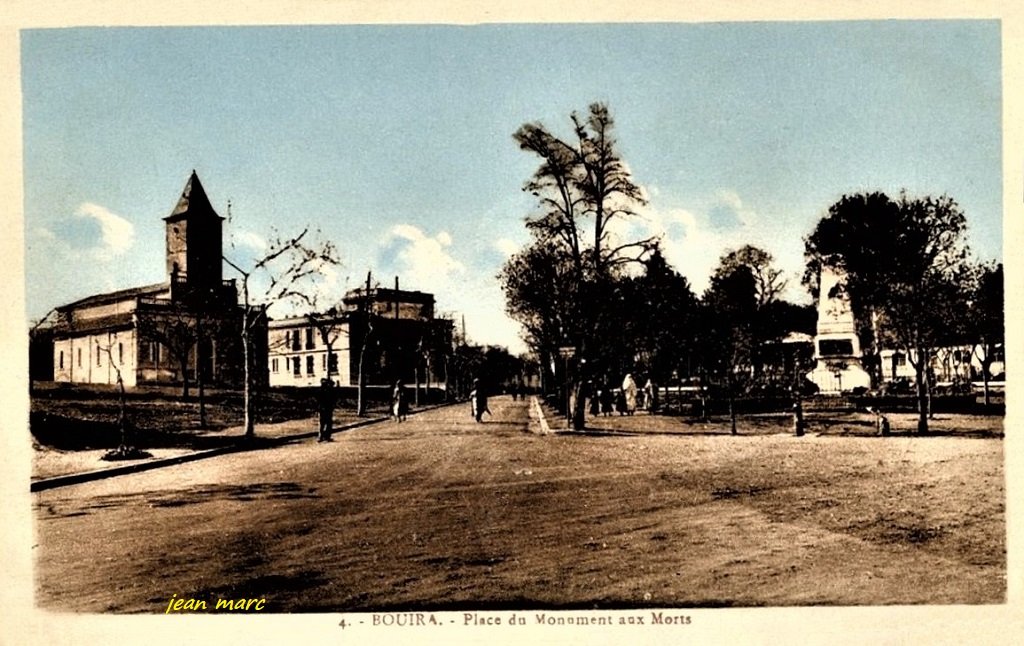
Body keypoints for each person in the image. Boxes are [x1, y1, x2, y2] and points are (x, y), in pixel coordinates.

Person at [316, 378, 336, 442]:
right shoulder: (325, 391)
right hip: (324, 409)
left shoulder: (327, 391)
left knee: (325, 423)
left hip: (325, 409)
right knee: (325, 423)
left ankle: (323, 437)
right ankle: (323, 437)